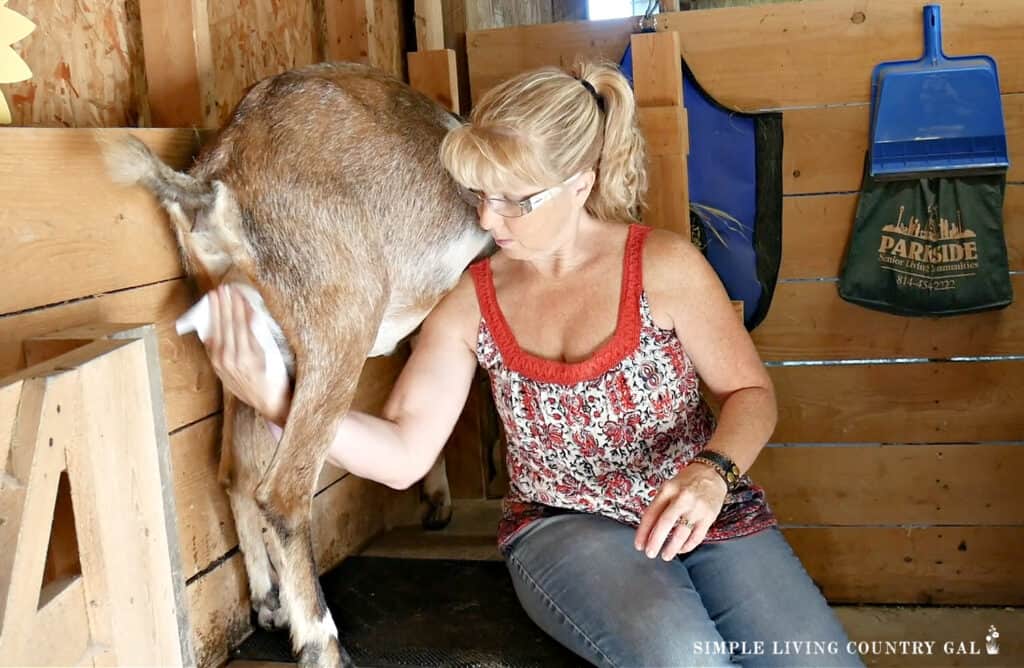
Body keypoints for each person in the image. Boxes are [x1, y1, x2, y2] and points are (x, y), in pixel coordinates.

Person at [201, 62, 865, 667]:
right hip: (564, 526)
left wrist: (712, 474)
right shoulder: (470, 302)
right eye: (481, 192)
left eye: (517, 199)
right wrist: (281, 402)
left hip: (703, 506)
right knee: (683, 657)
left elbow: (751, 392)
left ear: (581, 185)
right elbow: (405, 453)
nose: (490, 218)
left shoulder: (663, 267)